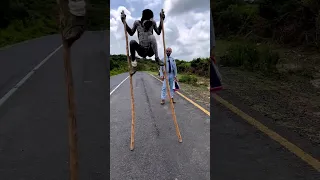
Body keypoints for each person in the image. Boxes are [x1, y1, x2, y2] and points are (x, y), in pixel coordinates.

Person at [121, 9, 165, 76]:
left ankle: (157, 58)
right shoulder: (137, 23)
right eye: (147, 22)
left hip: (150, 50)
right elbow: (131, 33)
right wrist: (124, 22)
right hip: (142, 50)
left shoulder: (152, 23)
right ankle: (134, 65)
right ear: (143, 19)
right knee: (132, 42)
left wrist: (161, 20)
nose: (148, 24)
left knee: (152, 37)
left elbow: (158, 32)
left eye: (150, 21)